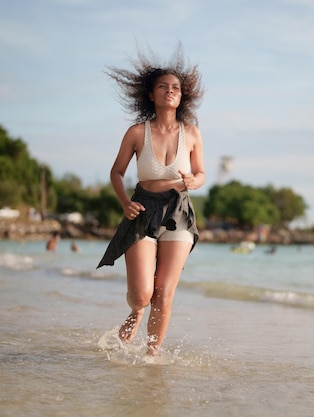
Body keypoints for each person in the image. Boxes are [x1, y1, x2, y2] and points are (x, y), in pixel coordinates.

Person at [97, 45, 206, 356]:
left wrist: (193, 182)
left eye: (175, 88)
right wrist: (124, 203)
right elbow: (116, 173)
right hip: (143, 209)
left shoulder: (192, 133)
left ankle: (152, 353)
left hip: (180, 211)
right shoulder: (136, 132)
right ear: (151, 95)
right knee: (143, 293)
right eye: (163, 87)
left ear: (181, 96)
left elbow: (201, 172)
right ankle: (136, 311)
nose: (170, 91)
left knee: (164, 292)